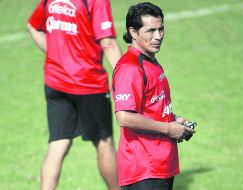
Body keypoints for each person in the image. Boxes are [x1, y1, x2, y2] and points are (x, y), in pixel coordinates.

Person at [27, 0, 122, 190]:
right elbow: (108, 43)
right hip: (89, 84)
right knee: (104, 142)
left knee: (58, 142)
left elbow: (33, 27)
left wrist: (57, 56)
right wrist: (127, 77)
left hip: (55, 83)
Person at [112, 2, 195, 190]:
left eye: (161, 29)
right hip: (143, 170)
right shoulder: (130, 68)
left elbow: (149, 108)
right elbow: (124, 117)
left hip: (161, 165)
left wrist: (174, 120)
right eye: (150, 31)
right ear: (133, 32)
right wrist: (168, 128)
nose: (158, 36)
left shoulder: (151, 61)